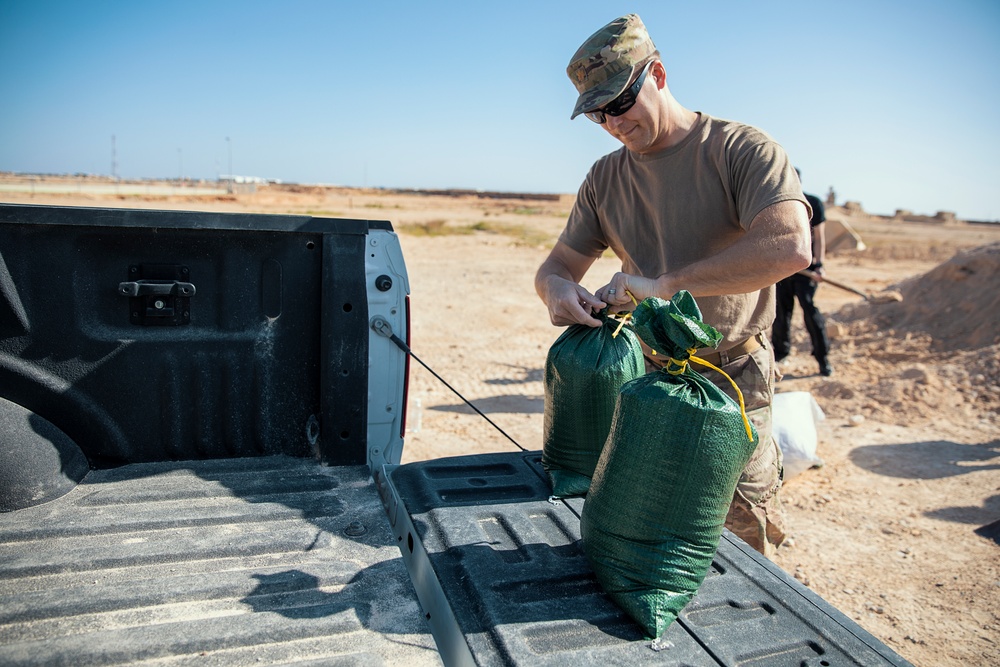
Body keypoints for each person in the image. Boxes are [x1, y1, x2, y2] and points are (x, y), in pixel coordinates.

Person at [534, 14, 812, 557]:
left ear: (656, 74)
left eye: (619, 102)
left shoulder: (740, 149)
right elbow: (555, 268)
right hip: (644, 375)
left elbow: (790, 247)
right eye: (596, 114)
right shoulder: (604, 178)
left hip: (731, 378)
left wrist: (664, 286)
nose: (612, 122)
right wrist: (557, 293)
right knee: (647, 518)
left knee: (737, 529)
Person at [772, 169, 833, 376]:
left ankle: (822, 358)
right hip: (783, 270)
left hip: (806, 270)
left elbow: (820, 238)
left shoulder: (812, 203)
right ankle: (780, 354)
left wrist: (819, 265)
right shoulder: (777, 202)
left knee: (810, 310)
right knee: (780, 314)